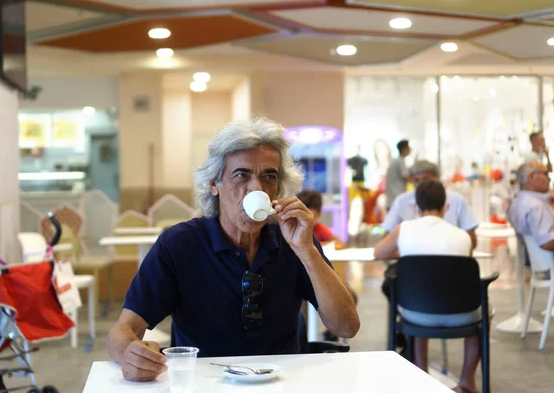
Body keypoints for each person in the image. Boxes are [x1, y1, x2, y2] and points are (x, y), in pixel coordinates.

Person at [107, 118, 360, 382]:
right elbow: (121, 331)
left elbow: (346, 326)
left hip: (281, 383)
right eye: (241, 175)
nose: (257, 188)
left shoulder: (293, 241)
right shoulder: (179, 245)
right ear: (214, 185)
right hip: (204, 384)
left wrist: (307, 251)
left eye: (269, 177)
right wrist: (129, 352)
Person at [374, 180, 481, 393]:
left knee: (419, 301)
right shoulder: (462, 236)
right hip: (462, 315)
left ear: (415, 207)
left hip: (417, 314)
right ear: (446, 207)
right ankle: (468, 378)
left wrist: (403, 253)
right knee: (481, 320)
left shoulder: (403, 229)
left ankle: (421, 376)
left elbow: (379, 253)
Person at [382, 160, 478, 248]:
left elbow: (471, 240)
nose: (421, 184)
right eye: (416, 180)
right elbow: (386, 238)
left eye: (425, 179)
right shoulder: (401, 201)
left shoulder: (457, 200)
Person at [508, 161, 554, 251]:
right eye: (546, 174)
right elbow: (546, 242)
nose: (549, 179)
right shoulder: (536, 206)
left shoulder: (519, 202)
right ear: (531, 177)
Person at [385, 140, 411, 210]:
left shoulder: (394, 161)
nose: (410, 149)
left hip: (391, 200)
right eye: (408, 147)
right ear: (404, 149)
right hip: (396, 199)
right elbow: (407, 178)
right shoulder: (400, 161)